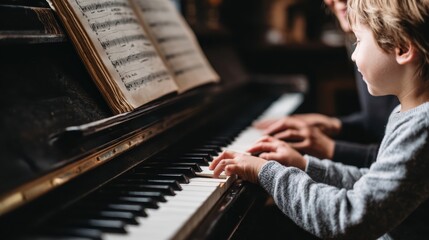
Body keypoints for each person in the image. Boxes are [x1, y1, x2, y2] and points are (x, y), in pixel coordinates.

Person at [210, 0, 429, 238]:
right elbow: (372, 184)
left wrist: (267, 173)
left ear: (402, 49)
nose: (354, 56)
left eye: (359, 41)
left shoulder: (421, 127)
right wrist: (305, 165)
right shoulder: (407, 113)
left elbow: (348, 217)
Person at [254, 0, 399, 168]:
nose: (332, 1)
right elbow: (381, 122)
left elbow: (407, 162)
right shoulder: (369, 46)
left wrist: (329, 148)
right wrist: (336, 125)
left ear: (404, 49)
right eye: (357, 42)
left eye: (359, 41)